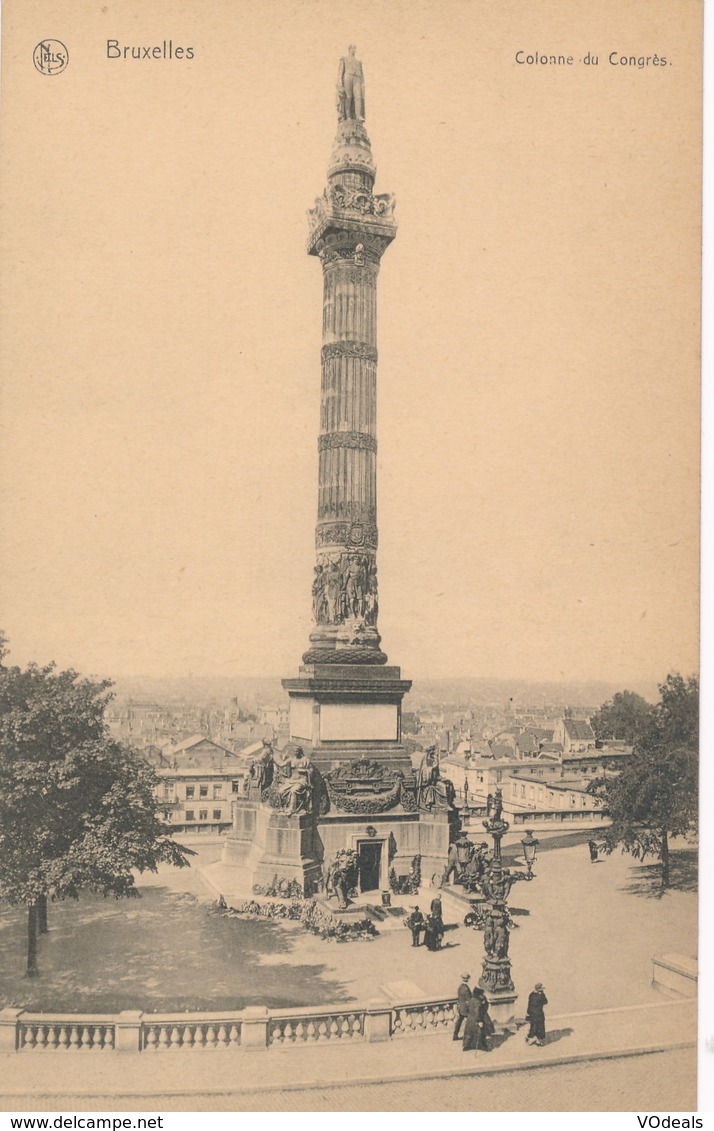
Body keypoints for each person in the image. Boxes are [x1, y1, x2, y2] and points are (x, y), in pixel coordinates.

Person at [453, 973, 472, 1040]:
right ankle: (468, 1036)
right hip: (465, 1008)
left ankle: (455, 1035)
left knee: (459, 1022)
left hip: (461, 1008)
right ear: (467, 979)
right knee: (470, 1021)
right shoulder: (466, 988)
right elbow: (469, 1000)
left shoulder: (460, 987)